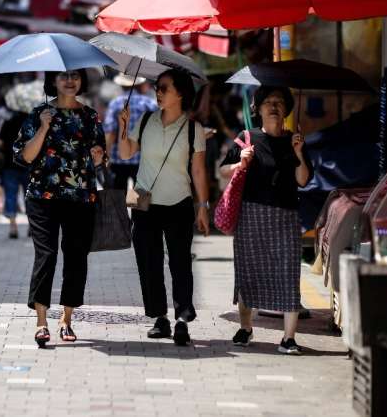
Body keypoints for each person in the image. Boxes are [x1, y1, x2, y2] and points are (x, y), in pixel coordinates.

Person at [117, 68, 210, 346]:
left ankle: (182, 318)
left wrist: (202, 206)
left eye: (165, 88)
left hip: (179, 202)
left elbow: (198, 170)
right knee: (149, 262)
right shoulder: (145, 121)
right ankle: (160, 318)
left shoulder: (194, 129)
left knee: (180, 262)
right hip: (146, 204)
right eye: (157, 87)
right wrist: (123, 126)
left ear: (180, 93)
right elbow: (125, 153)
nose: (158, 92)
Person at [13, 69, 105, 347]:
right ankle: (41, 322)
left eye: (75, 76)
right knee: (47, 254)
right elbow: (25, 156)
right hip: (43, 196)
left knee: (76, 256)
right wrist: (43, 127)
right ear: (53, 81)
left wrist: (99, 157)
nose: (69, 81)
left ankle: (66, 319)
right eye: (63, 76)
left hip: (81, 198)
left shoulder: (89, 116)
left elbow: (99, 159)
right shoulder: (39, 113)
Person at [218, 86, 312, 353]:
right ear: (257, 109)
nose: (273, 106)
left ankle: (289, 338)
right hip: (251, 215)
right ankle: (246, 328)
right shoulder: (246, 138)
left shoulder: (295, 140)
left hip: (286, 216)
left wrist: (298, 153)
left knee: (288, 274)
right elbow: (223, 170)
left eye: (279, 102)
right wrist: (240, 163)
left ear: (286, 110)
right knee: (248, 272)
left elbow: (303, 180)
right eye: (268, 102)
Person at [103, 73, 157, 192]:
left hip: (119, 160)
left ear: (122, 86)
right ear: (139, 84)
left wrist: (106, 157)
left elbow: (110, 133)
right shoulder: (150, 104)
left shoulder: (115, 104)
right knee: (142, 199)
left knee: (118, 197)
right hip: (142, 159)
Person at [0, 108, 29, 239]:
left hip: (10, 165)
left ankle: (13, 227)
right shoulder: (33, 123)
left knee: (10, 195)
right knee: (30, 196)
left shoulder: (7, 122)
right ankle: (31, 226)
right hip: (28, 165)